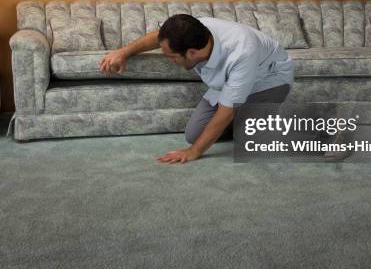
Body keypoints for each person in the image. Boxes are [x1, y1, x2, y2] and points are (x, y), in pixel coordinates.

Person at [99, 14, 293, 164]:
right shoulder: (194, 30)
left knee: (247, 140)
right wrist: (123, 52)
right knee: (194, 135)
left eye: (172, 57)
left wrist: (194, 152)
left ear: (191, 53)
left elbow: (227, 110)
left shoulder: (243, 52)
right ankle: (252, 119)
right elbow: (159, 38)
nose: (169, 60)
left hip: (268, 79)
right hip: (228, 81)